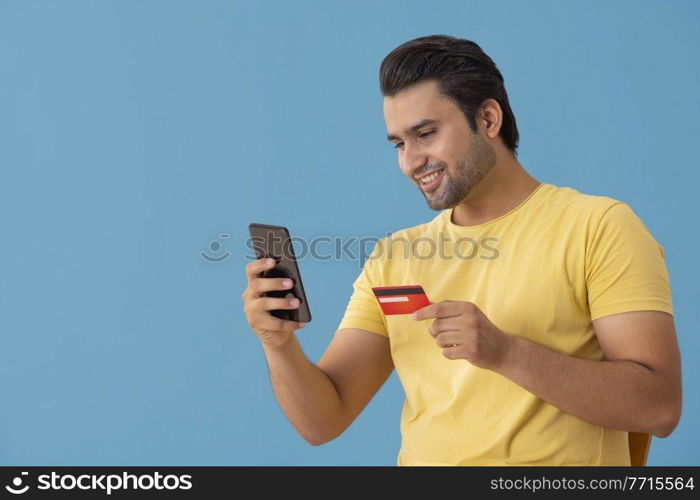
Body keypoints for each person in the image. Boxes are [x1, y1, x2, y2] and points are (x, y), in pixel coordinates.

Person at [241, 35, 682, 466]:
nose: (411, 161)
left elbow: (659, 408)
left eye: (426, 134)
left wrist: (506, 353)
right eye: (399, 143)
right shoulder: (394, 258)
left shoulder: (598, 227)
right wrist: (278, 344)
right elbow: (323, 420)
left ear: (489, 119)